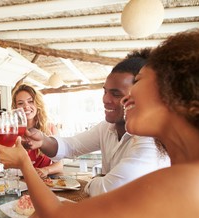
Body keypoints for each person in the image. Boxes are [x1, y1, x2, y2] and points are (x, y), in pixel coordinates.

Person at [0, 27, 199, 218]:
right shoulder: (190, 175)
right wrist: (67, 209)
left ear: (176, 91)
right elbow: (71, 148)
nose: (122, 98)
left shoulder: (191, 184)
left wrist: (24, 163)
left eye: (138, 81)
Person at [21, 50, 170, 196]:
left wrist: (97, 181)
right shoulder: (107, 127)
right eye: (105, 92)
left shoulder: (151, 141)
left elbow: (109, 190)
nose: (105, 99)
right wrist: (43, 140)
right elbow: (71, 146)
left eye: (116, 94)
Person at [12, 84, 63, 178]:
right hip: (19, 181)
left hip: (44, 181)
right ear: (15, 107)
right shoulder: (12, 132)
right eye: (20, 103)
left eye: (30, 101)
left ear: (38, 104)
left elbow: (59, 165)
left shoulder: (50, 129)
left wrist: (45, 170)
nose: (26, 106)